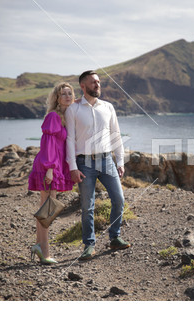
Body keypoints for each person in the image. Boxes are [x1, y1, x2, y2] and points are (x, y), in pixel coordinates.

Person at [65, 70, 130, 261]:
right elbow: (69, 140)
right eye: (93, 82)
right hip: (83, 164)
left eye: (99, 82)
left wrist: (120, 161)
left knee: (119, 199)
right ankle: (89, 245)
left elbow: (115, 134)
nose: (97, 85)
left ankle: (115, 237)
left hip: (107, 160)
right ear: (83, 86)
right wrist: (72, 167)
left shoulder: (108, 107)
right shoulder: (73, 110)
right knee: (87, 206)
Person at [28, 82, 75, 264]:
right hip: (48, 166)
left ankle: (39, 245)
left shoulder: (63, 117)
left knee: (46, 208)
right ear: (56, 98)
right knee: (49, 209)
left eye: (70, 93)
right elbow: (48, 144)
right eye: (63, 94)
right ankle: (45, 253)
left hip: (52, 166)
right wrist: (49, 169)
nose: (67, 97)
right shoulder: (53, 116)